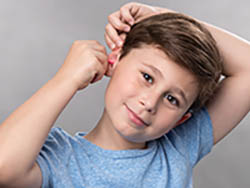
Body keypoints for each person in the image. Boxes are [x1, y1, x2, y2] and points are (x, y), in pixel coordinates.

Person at [0, 3, 249, 188]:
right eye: (147, 77)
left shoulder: (177, 149)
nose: (149, 103)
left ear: (182, 119)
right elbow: (4, 168)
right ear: (116, 58)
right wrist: (66, 79)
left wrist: (160, 16)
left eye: (172, 99)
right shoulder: (58, 158)